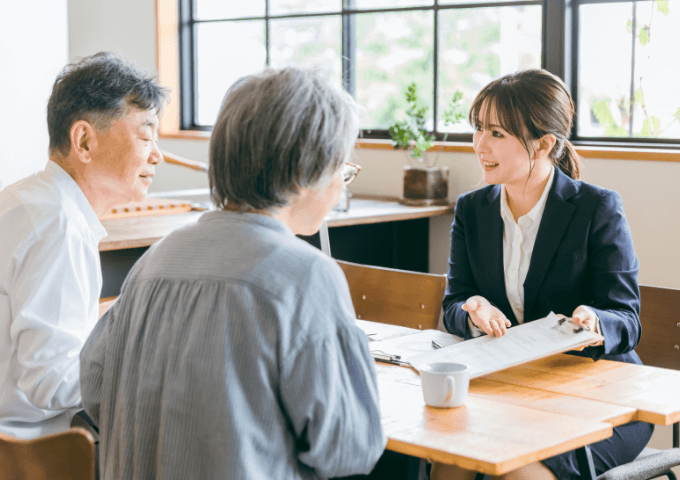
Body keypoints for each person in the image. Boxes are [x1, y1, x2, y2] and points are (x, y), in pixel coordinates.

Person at [79, 67, 386, 480]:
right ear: (308, 171)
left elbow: (96, 389)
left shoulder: (155, 260)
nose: (340, 186)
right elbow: (349, 448)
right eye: (342, 168)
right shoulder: (305, 274)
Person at [431, 69, 653, 480]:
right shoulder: (471, 209)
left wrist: (595, 320)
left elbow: (627, 319)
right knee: (450, 459)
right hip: (512, 389)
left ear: (545, 143)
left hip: (601, 397)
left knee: (515, 471)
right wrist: (471, 309)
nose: (479, 144)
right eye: (478, 129)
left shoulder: (597, 208)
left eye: (496, 133)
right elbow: (454, 304)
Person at [0, 52, 167, 439]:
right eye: (145, 136)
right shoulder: (60, 226)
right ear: (84, 140)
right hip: (30, 453)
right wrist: (144, 366)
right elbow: (51, 382)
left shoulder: (26, 199)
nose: (157, 155)